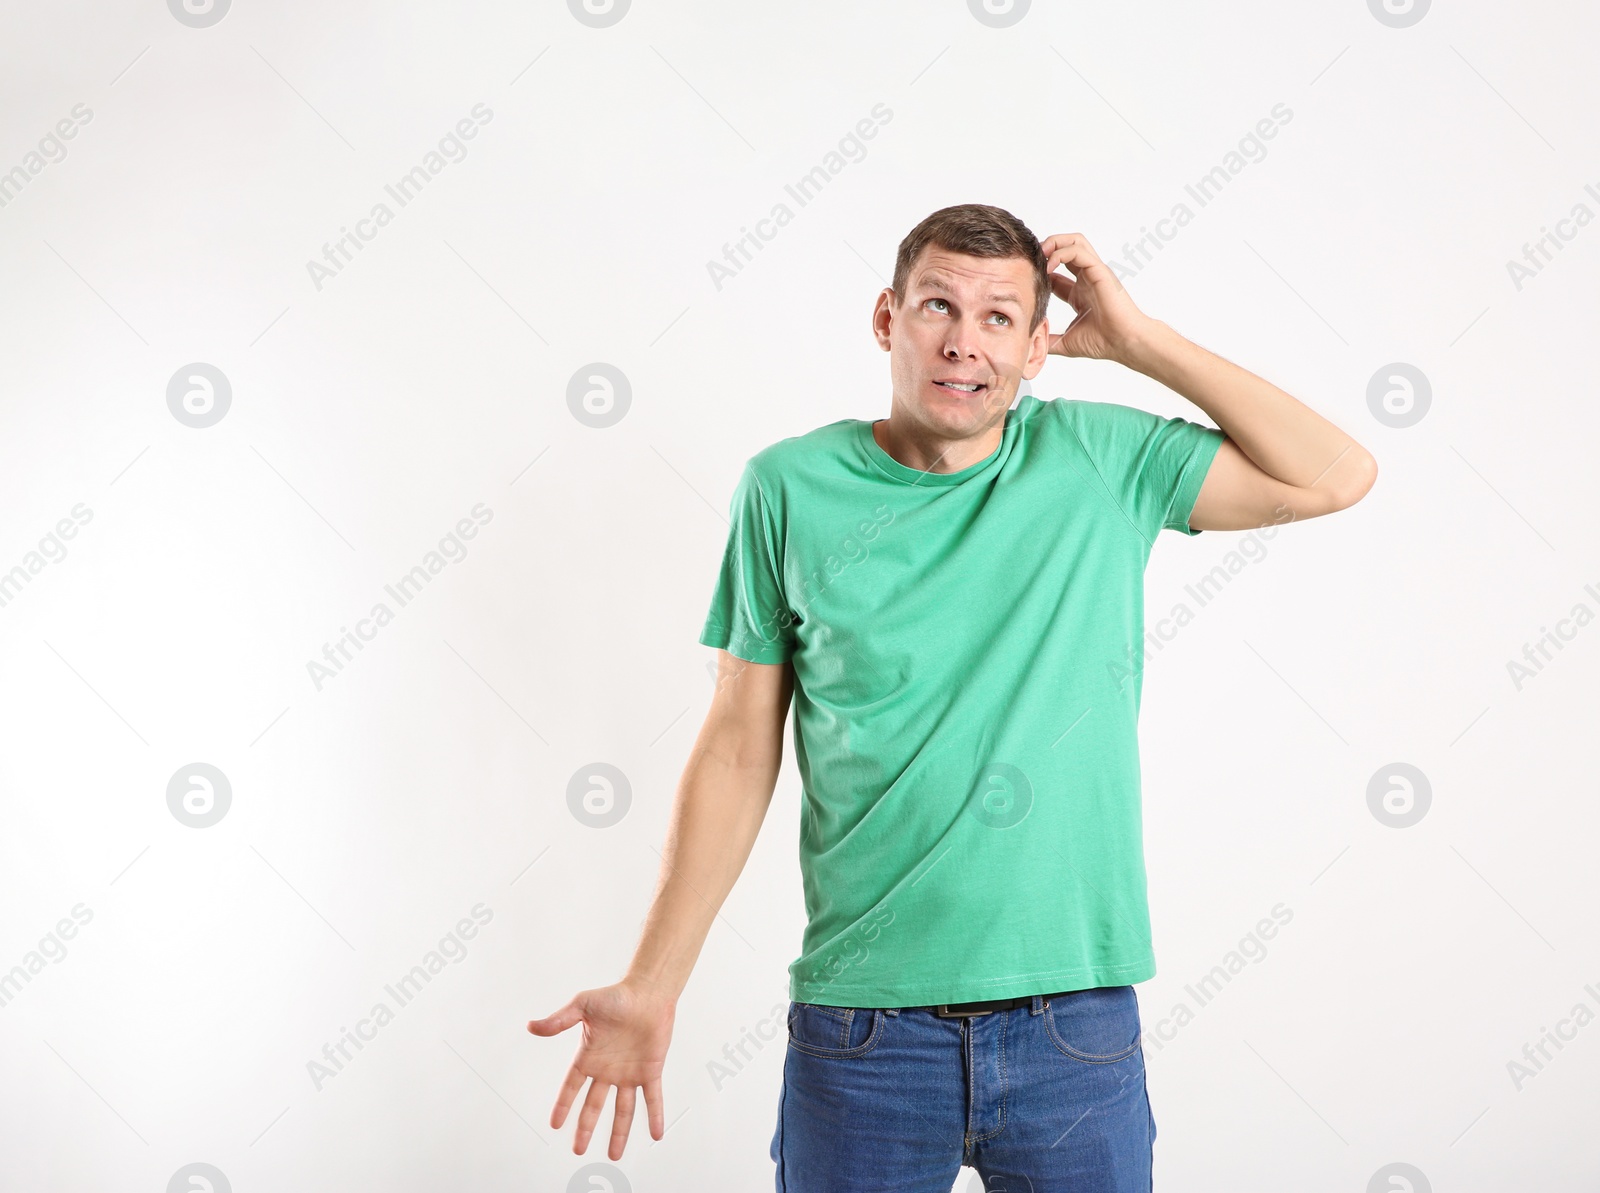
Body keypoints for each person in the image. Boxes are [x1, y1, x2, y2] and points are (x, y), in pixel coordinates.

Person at [528, 203, 1377, 1190]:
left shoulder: (1102, 462)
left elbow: (1333, 474)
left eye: (998, 318)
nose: (963, 341)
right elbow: (734, 746)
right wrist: (652, 982)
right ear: (887, 317)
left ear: (1033, 347)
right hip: (864, 1031)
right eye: (938, 305)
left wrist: (1138, 341)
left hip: (1073, 1020)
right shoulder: (789, 488)